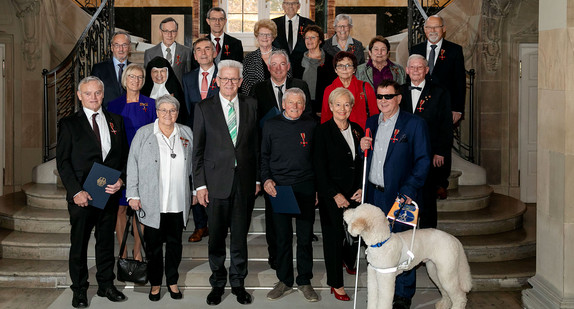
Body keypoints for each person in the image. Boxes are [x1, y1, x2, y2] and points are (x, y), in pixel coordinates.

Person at [192, 60, 260, 306]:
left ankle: (238, 284)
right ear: (217, 81)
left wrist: (258, 178)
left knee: (240, 237)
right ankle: (218, 284)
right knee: (217, 238)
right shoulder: (203, 108)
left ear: (241, 82)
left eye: (234, 79)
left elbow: (255, 145)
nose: (230, 83)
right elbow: (197, 151)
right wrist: (199, 186)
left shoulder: (251, 105)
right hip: (215, 184)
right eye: (225, 79)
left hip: (244, 184)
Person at [56, 76, 128, 308]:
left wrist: (121, 180)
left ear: (103, 94)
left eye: (97, 92)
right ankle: (79, 290)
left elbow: (123, 157)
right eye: (88, 93)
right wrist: (76, 191)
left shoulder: (116, 120)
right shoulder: (69, 124)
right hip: (82, 197)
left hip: (108, 193)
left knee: (106, 242)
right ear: (79, 96)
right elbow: (63, 162)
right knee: (79, 243)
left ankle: (107, 284)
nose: (93, 97)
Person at [360, 80, 431, 309]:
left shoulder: (414, 124)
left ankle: (402, 295)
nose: (383, 101)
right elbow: (369, 159)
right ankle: (382, 288)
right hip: (375, 195)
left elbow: (423, 161)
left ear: (399, 98)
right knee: (379, 244)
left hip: (402, 196)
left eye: (388, 96)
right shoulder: (371, 122)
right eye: (379, 97)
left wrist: (409, 191)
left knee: (403, 244)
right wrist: (362, 146)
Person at [126, 94, 193, 302]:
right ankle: (155, 284)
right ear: (156, 112)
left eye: (172, 110)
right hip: (151, 201)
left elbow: (192, 163)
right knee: (154, 247)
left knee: (174, 246)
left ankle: (172, 281)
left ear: (177, 113)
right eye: (163, 110)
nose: (168, 114)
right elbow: (132, 164)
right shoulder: (144, 134)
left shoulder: (186, 133)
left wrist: (194, 191)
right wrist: (133, 193)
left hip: (177, 201)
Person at [249, 49, 311, 270]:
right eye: (273, 64)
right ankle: (275, 255)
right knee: (274, 221)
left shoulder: (300, 85)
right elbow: (255, 123)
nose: (277, 68)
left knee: (301, 227)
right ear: (268, 67)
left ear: (288, 66)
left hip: (298, 158)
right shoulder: (258, 88)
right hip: (274, 164)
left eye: (282, 64)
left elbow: (308, 116)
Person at [261, 88, 318, 302]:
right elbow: (263, 155)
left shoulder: (311, 125)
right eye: (291, 103)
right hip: (279, 188)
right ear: (283, 104)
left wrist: (316, 188)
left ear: (304, 106)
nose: (295, 107)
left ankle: (304, 280)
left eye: (299, 103)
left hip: (305, 186)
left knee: (304, 238)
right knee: (282, 238)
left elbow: (316, 159)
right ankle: (284, 280)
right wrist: (266, 179)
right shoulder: (271, 125)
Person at [314, 87, 364, 302]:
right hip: (331, 195)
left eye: (347, 105)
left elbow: (362, 163)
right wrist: (333, 194)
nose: (342, 109)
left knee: (353, 235)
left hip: (355, 194)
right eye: (338, 104)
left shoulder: (358, 130)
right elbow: (318, 167)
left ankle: (348, 260)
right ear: (331, 106)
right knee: (333, 239)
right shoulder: (322, 131)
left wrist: (363, 188)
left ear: (352, 107)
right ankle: (336, 283)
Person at [107, 63, 157, 262]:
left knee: (139, 208)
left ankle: (137, 252)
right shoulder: (113, 105)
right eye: (132, 77)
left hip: (143, 163)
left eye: (139, 77)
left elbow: (155, 134)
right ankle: (122, 251)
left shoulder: (150, 104)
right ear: (125, 79)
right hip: (120, 163)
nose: (136, 81)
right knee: (119, 208)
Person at [400, 54, 452, 228]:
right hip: (404, 154)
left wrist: (441, 151)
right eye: (412, 67)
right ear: (406, 71)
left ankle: (428, 238)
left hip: (429, 154)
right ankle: (407, 238)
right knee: (406, 196)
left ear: (426, 70)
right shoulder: (398, 92)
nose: (415, 70)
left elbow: (445, 124)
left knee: (428, 198)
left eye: (419, 67)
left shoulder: (439, 92)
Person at [181, 37, 219, 243]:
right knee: (196, 179)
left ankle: (215, 223)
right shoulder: (188, 78)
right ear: (194, 55)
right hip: (195, 137)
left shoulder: (224, 75)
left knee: (215, 180)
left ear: (214, 53)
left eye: (207, 49)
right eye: (199, 50)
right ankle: (200, 225)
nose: (203, 53)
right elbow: (187, 109)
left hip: (219, 138)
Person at [410, 15, 466, 125]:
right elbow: (410, 78)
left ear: (444, 29)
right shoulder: (416, 49)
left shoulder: (455, 50)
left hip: (445, 107)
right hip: (420, 107)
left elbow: (460, 81)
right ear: (425, 29)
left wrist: (458, 109)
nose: (433, 31)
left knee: (441, 141)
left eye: (437, 27)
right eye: (429, 27)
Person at [320, 51, 377, 129]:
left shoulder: (365, 87)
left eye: (348, 65)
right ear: (335, 70)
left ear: (354, 69)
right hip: (338, 133)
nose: (344, 69)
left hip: (362, 133)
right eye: (340, 65)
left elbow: (374, 114)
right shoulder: (329, 90)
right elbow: (325, 117)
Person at [241, 19, 292, 95]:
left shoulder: (282, 55)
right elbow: (245, 85)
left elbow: (289, 77)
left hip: (280, 97)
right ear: (257, 37)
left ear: (273, 37)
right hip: (256, 100)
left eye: (268, 34)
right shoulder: (249, 58)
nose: (265, 37)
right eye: (261, 34)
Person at [271, 0, 315, 78]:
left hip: (303, 70)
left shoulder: (309, 24)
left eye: (294, 3)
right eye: (287, 3)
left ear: (299, 6)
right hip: (280, 71)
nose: (291, 6)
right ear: (283, 6)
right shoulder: (273, 24)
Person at [301, 25, 337, 118]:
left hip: (323, 108)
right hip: (302, 107)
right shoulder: (297, 61)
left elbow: (333, 87)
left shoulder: (330, 61)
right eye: (307, 37)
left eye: (313, 37)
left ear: (320, 40)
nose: (309, 40)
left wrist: (325, 107)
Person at [144, 17, 193, 84]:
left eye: (173, 31)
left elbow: (189, 77)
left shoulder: (186, 51)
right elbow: (148, 79)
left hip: (179, 93)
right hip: (157, 94)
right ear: (160, 32)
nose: (169, 35)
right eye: (166, 31)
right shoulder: (150, 53)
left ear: (177, 32)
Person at [141, 56, 188, 125]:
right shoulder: (144, 91)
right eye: (155, 71)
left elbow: (182, 115)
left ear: (168, 72)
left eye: (162, 71)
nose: (159, 75)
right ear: (150, 73)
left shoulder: (176, 90)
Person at [91, 31, 131, 108]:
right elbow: (94, 95)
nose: (121, 49)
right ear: (112, 48)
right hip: (107, 116)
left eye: (124, 45)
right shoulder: (99, 69)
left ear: (129, 47)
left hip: (130, 116)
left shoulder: (136, 69)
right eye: (117, 45)